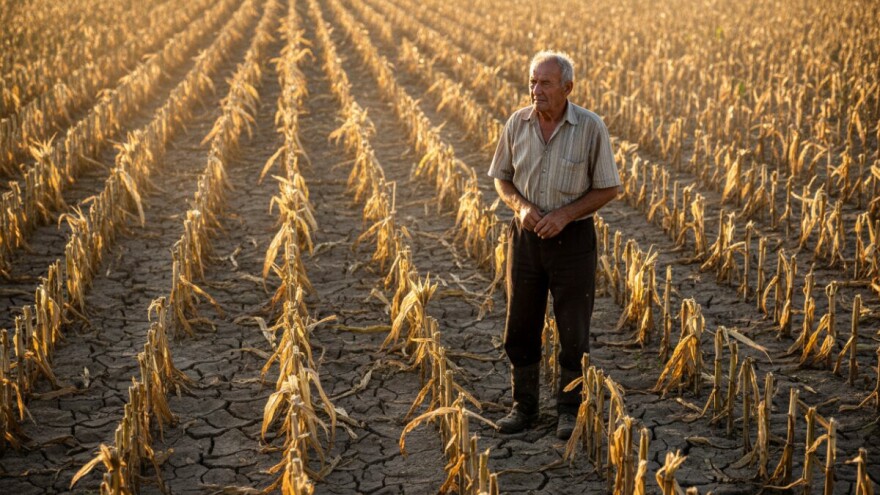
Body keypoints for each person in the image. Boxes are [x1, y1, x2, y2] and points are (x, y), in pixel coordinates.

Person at [488, 51, 621, 439]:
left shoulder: (591, 127)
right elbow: (502, 179)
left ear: (568, 88)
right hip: (526, 239)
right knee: (520, 325)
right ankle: (523, 407)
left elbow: (609, 187)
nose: (536, 90)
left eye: (545, 83)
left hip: (573, 242)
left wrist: (564, 215)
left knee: (573, 329)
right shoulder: (517, 123)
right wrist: (522, 207)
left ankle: (568, 408)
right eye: (532, 81)